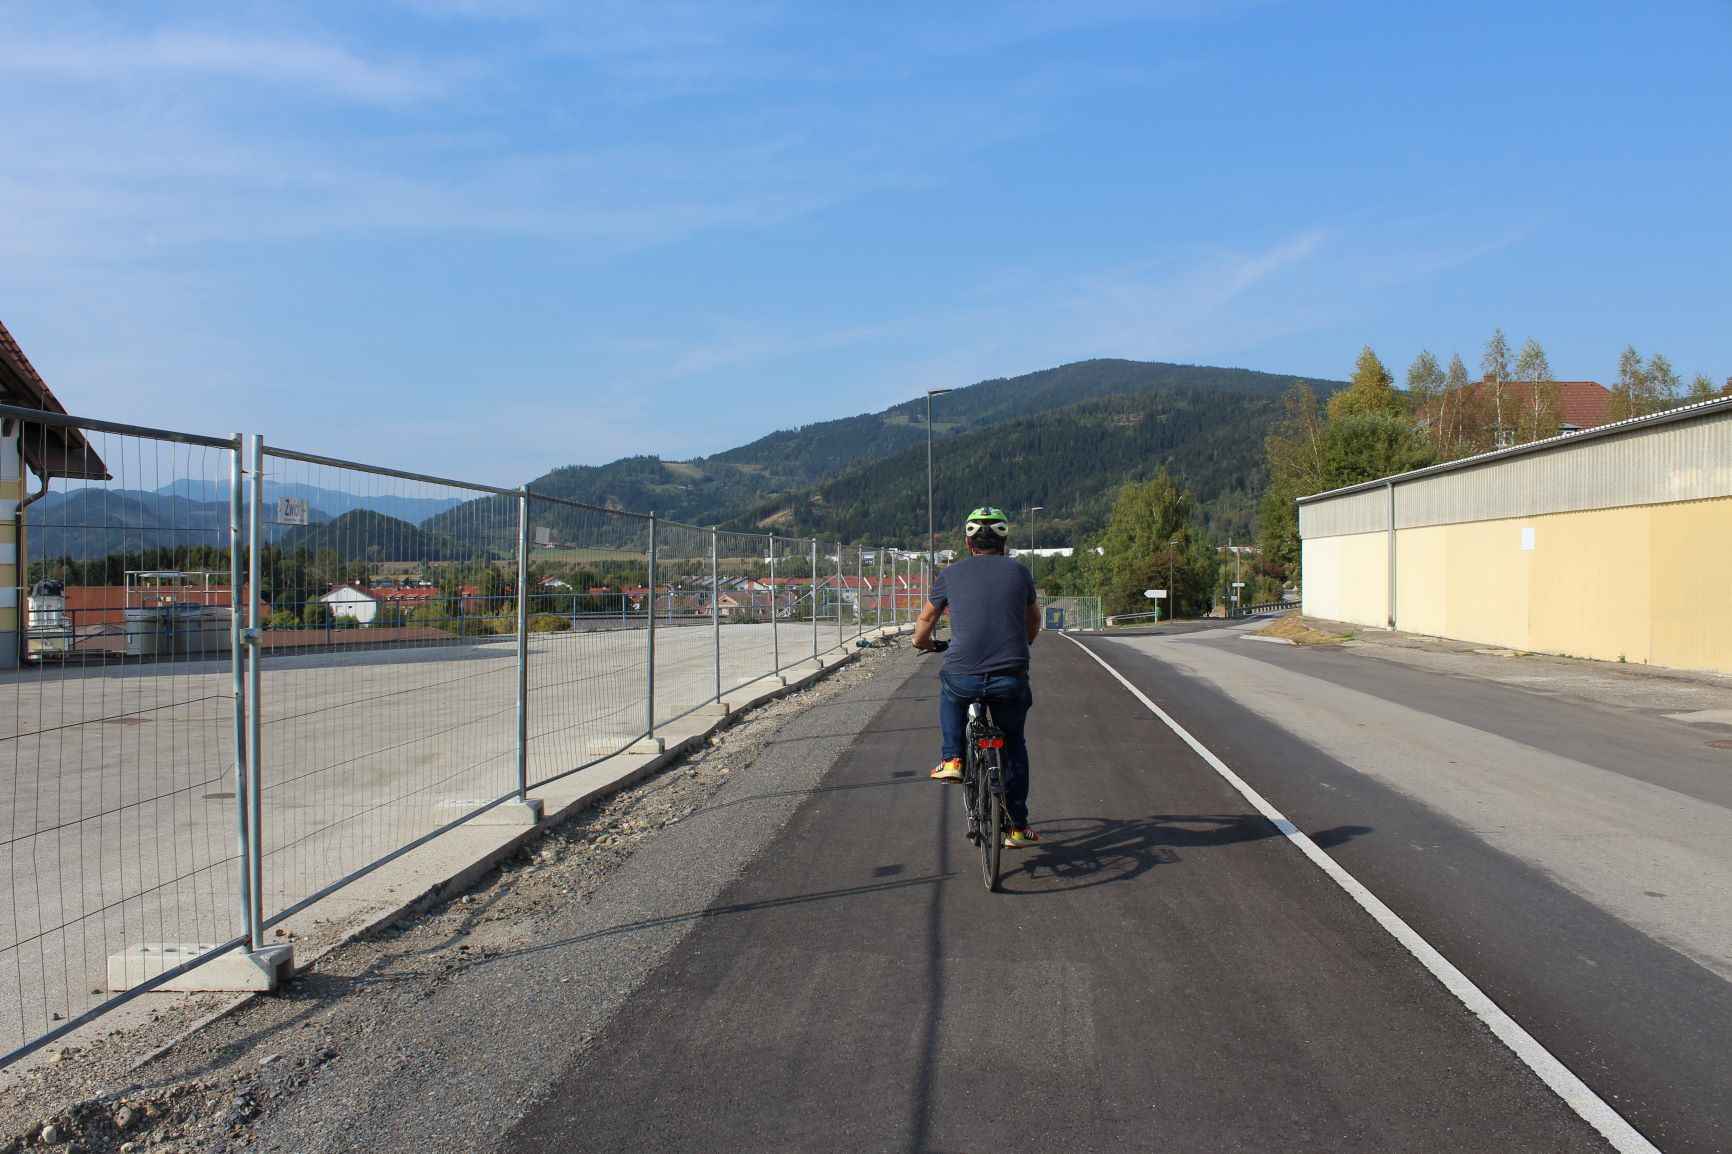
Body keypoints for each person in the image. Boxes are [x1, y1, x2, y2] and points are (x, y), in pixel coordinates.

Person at [912, 506, 1042, 848]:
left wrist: (922, 643)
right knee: (1014, 744)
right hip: (1010, 676)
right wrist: (1024, 642)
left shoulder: (950, 574)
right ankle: (1016, 826)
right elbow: (1033, 622)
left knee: (950, 692)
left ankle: (952, 758)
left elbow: (925, 621)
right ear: (1004, 543)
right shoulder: (1020, 573)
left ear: (969, 543)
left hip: (963, 673)